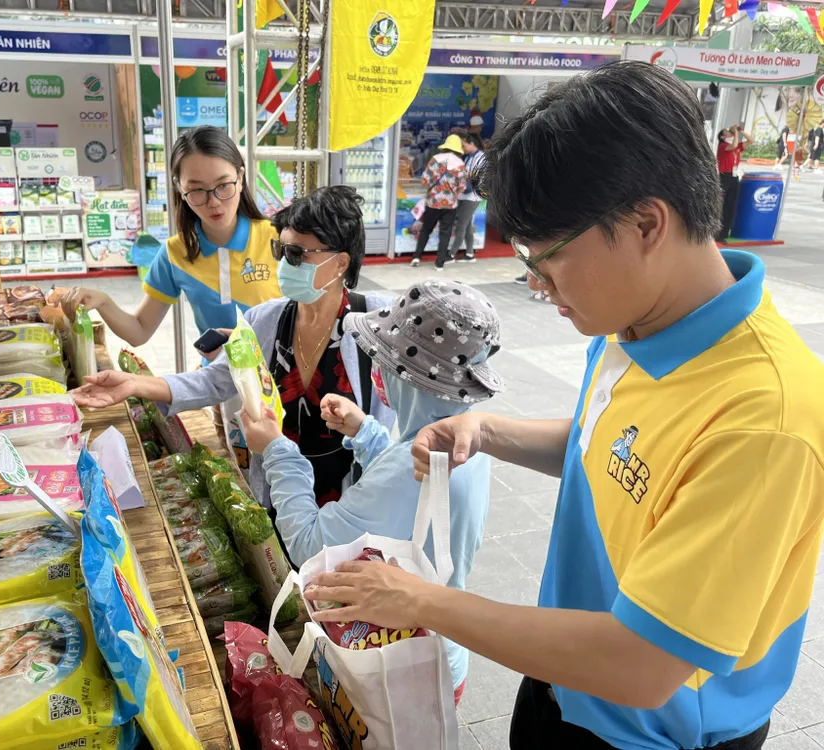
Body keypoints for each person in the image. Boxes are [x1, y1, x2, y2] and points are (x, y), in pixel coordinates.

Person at [303, 62, 824, 750]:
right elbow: (611, 449)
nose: (535, 282)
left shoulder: (766, 417)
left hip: (646, 731)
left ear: (645, 223)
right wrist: (486, 429)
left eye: (546, 257)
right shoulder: (635, 323)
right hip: (561, 672)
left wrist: (421, 601)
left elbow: (642, 666)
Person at [240, 278, 503, 706]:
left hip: (395, 667)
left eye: (383, 361)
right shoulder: (467, 440)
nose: (376, 370)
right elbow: (409, 489)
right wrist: (366, 431)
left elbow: (309, 545)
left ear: (410, 377)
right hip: (440, 653)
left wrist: (275, 451)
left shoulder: (409, 468)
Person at [71, 186, 395, 508]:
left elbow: (431, 385)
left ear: (340, 263)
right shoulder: (267, 320)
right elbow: (215, 380)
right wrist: (134, 384)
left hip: (354, 506)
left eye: (297, 255)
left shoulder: (382, 323)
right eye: (280, 251)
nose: (285, 264)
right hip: (280, 502)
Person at [60, 126, 280, 347]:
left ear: (240, 178)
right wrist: (103, 302)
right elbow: (139, 331)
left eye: (223, 185)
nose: (213, 201)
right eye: (197, 190)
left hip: (279, 376)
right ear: (180, 189)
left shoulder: (278, 238)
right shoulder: (176, 253)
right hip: (216, 378)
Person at [410, 134, 467, 271]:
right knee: (445, 232)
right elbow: (462, 187)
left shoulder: (435, 159)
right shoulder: (460, 164)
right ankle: (439, 262)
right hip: (450, 205)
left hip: (432, 203)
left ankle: (417, 257)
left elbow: (424, 180)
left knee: (426, 230)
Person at [448, 133, 487, 264]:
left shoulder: (481, 157)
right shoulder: (468, 157)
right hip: (465, 194)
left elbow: (476, 176)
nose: (462, 148)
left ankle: (451, 253)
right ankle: (470, 253)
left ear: (471, 143)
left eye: (464, 145)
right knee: (467, 225)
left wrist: (466, 175)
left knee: (461, 224)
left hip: (473, 196)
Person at [715, 124, 746, 243]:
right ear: (723, 137)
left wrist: (741, 131)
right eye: (727, 132)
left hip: (734, 176)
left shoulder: (736, 147)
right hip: (724, 176)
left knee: (731, 205)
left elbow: (750, 140)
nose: (730, 132)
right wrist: (735, 133)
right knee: (721, 204)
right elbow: (733, 145)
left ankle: (724, 233)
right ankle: (716, 232)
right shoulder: (723, 146)